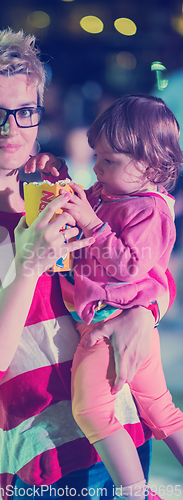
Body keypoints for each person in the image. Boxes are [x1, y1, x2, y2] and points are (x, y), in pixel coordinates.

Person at [0, 29, 173, 499]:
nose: (10, 129)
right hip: (50, 466)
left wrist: (144, 313)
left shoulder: (58, 188)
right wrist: (27, 265)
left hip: (126, 434)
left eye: (24, 112)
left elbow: (146, 266)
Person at [34, 95, 183, 500]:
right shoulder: (108, 191)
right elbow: (86, 204)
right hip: (125, 321)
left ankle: (135, 492)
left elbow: (130, 266)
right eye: (95, 157)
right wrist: (60, 177)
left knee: (92, 411)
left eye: (109, 160)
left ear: (150, 167)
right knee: (160, 410)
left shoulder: (150, 210)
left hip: (110, 322)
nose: (97, 168)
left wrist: (90, 222)